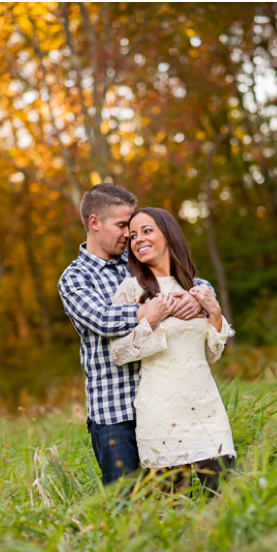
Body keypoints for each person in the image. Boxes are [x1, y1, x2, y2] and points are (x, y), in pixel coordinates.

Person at [58, 184, 205, 488]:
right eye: (122, 225)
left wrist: (199, 297)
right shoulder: (74, 278)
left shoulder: (136, 261)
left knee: (175, 496)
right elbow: (101, 319)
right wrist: (151, 312)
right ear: (94, 223)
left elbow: (189, 277)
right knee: (128, 507)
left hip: (163, 403)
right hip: (115, 413)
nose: (129, 234)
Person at [108, 207, 236, 495]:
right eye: (132, 235)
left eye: (146, 230)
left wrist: (214, 311)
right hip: (161, 413)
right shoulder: (131, 291)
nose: (137, 239)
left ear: (168, 234)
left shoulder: (196, 288)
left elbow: (211, 354)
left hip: (207, 409)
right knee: (173, 507)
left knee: (223, 498)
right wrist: (151, 320)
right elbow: (119, 353)